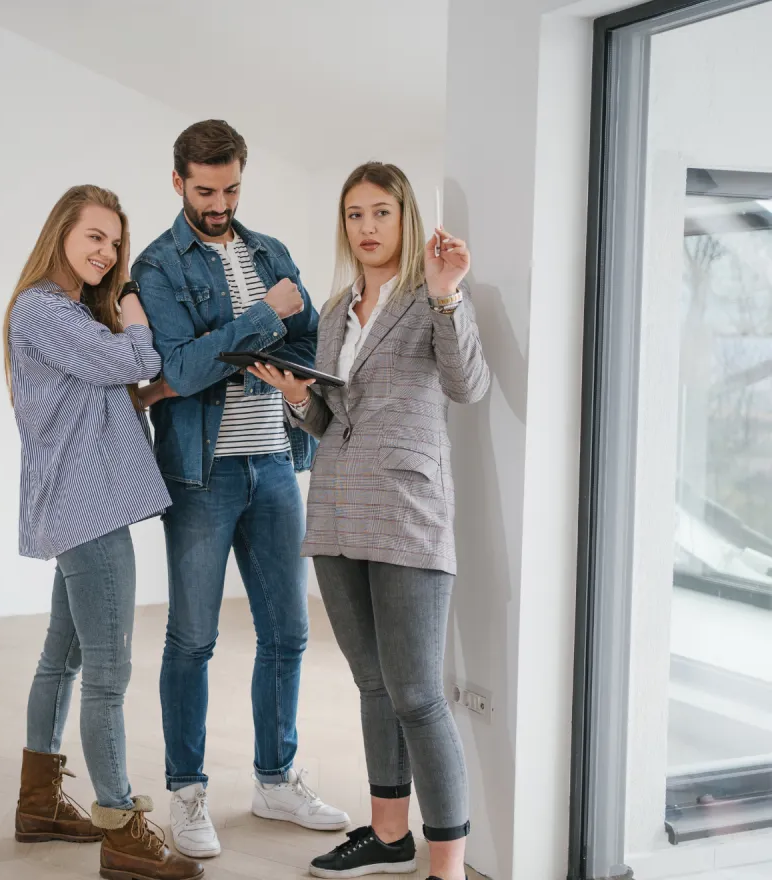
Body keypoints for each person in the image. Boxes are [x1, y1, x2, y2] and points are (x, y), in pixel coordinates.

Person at [249, 162, 489, 880]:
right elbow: (332, 420)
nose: (367, 227)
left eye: (380, 212)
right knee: (373, 685)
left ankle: (448, 866)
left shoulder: (432, 297)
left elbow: (467, 385)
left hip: (407, 511)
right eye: (355, 215)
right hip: (336, 510)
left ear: (405, 217)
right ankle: (388, 836)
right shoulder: (334, 311)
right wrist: (297, 398)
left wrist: (446, 295)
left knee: (417, 693)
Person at [133, 120, 349, 860]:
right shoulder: (158, 265)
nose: (219, 204)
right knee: (193, 637)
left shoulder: (271, 253)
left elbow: (309, 343)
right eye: (205, 190)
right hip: (203, 473)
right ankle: (187, 792)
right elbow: (181, 371)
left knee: (288, 634)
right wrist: (262, 318)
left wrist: (247, 351)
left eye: (229, 189)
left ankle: (276, 779)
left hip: (276, 464)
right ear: (178, 182)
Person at [5, 184, 201, 880]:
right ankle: (122, 831)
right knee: (108, 677)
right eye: (95, 236)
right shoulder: (42, 307)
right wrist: (136, 315)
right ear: (61, 231)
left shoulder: (67, 313)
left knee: (62, 659)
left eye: (115, 243)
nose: (107, 253)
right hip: (88, 511)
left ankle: (39, 805)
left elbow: (103, 389)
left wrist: (142, 380)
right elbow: (131, 361)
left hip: (78, 507)